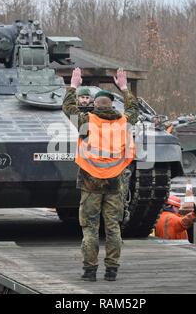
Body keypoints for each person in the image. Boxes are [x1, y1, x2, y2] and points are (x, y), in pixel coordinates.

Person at [62, 67, 139, 282]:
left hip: (90, 183)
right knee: (113, 228)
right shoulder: (124, 122)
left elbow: (67, 107)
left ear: (94, 105)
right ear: (113, 106)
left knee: (90, 228)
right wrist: (124, 87)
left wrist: (74, 85)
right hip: (115, 183)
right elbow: (134, 108)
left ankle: (89, 271)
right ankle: (112, 270)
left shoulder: (86, 121)